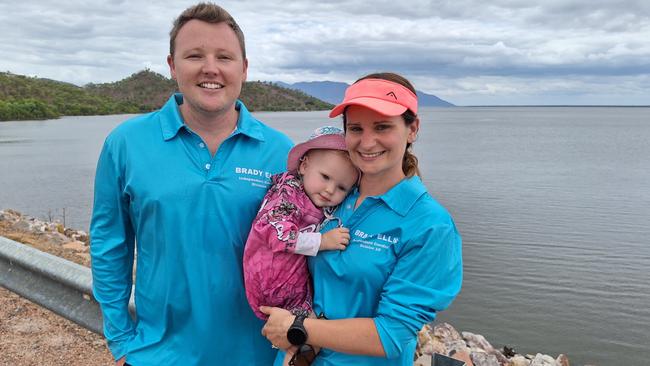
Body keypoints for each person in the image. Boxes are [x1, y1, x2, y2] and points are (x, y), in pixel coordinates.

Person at [90, 3, 292, 365]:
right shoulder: (125, 144)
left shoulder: (282, 153)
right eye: (194, 55)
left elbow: (303, 260)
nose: (210, 68)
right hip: (156, 354)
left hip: (258, 356)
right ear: (172, 65)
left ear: (244, 69)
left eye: (224, 57)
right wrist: (121, 340)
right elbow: (109, 246)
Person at [261, 72, 463, 366]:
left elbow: (392, 335)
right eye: (356, 128)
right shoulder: (334, 198)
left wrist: (297, 328)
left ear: (412, 129)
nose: (367, 143)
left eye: (382, 127)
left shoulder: (430, 226)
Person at [244, 126, 359, 321]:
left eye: (341, 187)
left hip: (291, 283)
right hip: (271, 282)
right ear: (304, 166)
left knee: (305, 331)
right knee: (303, 330)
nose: (330, 190)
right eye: (325, 177)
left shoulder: (313, 199)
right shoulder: (286, 194)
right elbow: (277, 235)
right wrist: (322, 242)